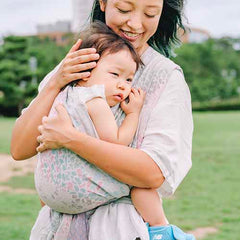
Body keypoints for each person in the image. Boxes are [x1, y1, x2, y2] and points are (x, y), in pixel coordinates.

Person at [11, 0, 195, 239]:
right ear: (104, 3)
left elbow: (153, 172)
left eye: (151, 13)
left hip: (117, 228)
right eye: (124, 10)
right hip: (55, 229)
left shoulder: (165, 77)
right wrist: (56, 82)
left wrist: (72, 140)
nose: (135, 24)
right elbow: (19, 148)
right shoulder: (77, 63)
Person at [35, 21, 145, 215]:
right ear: (86, 73)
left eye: (129, 79)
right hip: (77, 193)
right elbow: (116, 142)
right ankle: (160, 227)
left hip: (47, 193)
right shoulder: (95, 99)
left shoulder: (67, 93)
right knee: (144, 186)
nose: (123, 85)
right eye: (114, 74)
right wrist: (133, 114)